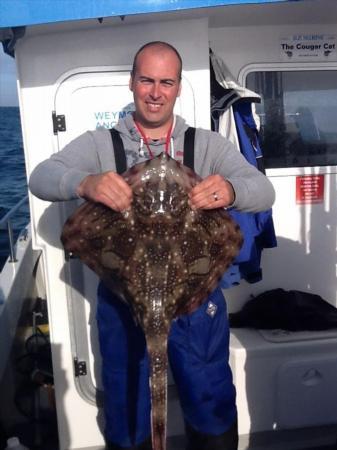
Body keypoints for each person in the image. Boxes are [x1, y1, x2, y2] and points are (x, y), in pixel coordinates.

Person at [29, 41, 275, 450]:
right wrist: (84, 182)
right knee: (127, 395)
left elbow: (262, 190)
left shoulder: (207, 145)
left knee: (207, 391)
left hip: (196, 299)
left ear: (179, 88)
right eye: (146, 80)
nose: (155, 91)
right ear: (132, 83)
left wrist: (230, 189)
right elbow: (41, 177)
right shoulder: (101, 144)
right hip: (127, 297)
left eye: (166, 82)